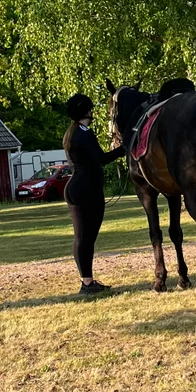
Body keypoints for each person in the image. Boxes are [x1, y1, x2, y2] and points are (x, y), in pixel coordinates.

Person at [63, 92, 125, 297]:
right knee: (85, 238)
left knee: (82, 237)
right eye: (90, 109)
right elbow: (101, 159)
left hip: (77, 188)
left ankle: (87, 280)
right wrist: (123, 149)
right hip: (86, 190)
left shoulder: (72, 133)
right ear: (86, 111)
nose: (92, 112)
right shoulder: (84, 133)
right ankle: (87, 283)